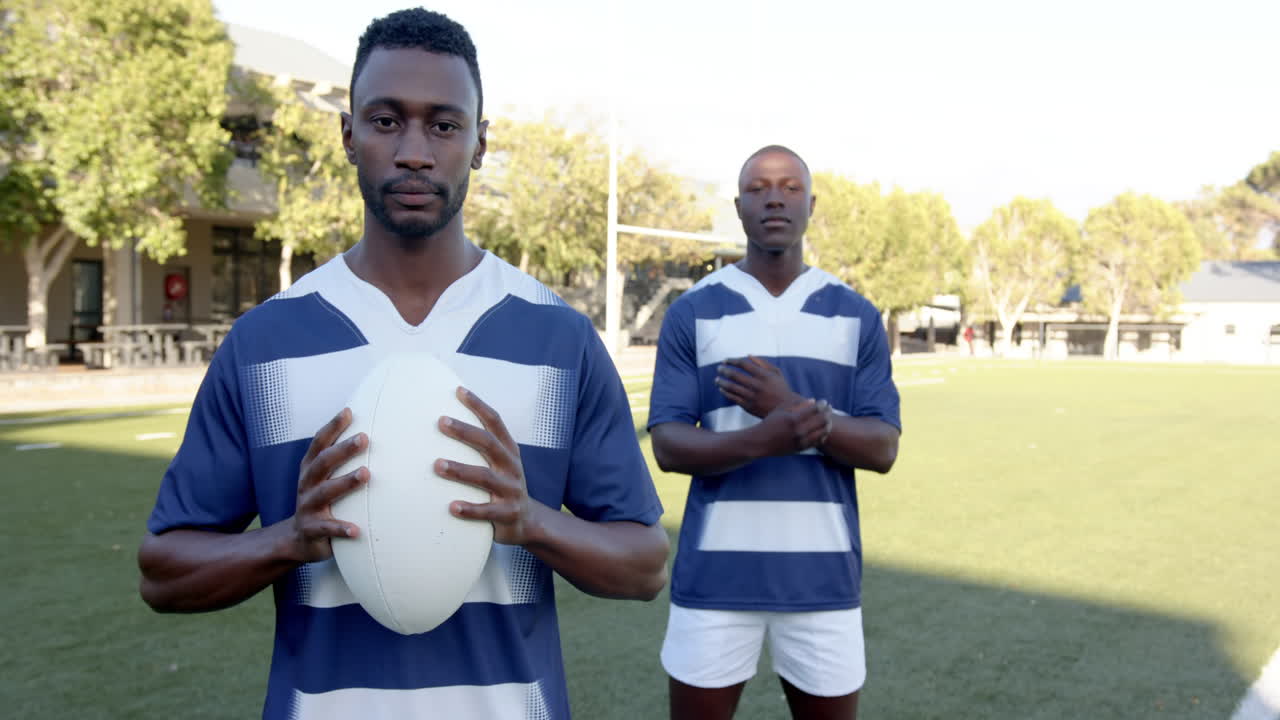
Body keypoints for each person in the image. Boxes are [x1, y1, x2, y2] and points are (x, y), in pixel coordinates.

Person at [136, 9, 668, 719]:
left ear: (481, 142)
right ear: (348, 133)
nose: (414, 150)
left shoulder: (558, 338)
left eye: (444, 125)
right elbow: (163, 574)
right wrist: (288, 540)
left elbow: (644, 565)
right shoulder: (265, 343)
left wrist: (529, 520)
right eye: (386, 121)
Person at [647, 145, 901, 720]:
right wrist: (767, 437)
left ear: (811, 202)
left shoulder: (855, 314)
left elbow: (884, 447)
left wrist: (790, 408)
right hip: (714, 583)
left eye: (789, 186)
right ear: (739, 207)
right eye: (758, 188)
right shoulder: (695, 312)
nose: (774, 197)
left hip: (823, 585)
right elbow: (667, 444)